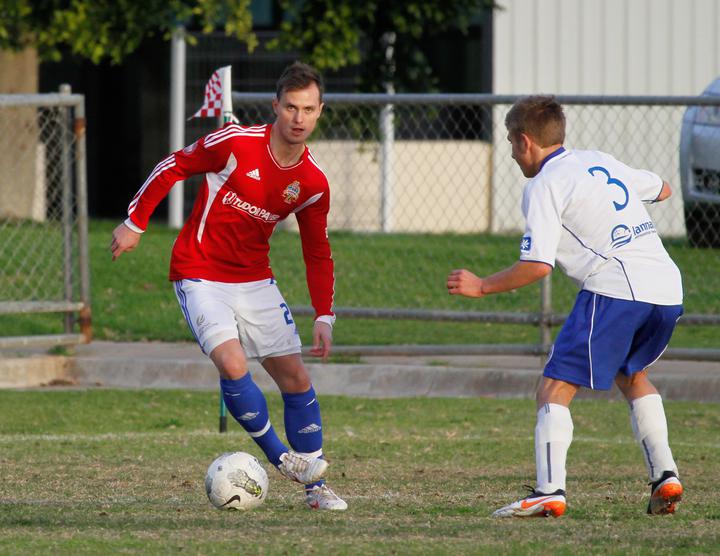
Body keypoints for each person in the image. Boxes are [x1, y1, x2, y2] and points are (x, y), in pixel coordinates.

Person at [110, 61, 347, 511]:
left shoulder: (313, 182)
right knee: (233, 364)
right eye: (291, 107)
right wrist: (134, 222)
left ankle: (316, 489)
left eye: (309, 109)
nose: (299, 118)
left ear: (319, 112)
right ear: (276, 106)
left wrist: (324, 314)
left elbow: (317, 251)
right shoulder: (236, 142)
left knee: (296, 377)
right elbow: (174, 165)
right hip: (199, 273)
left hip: (254, 279)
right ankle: (283, 459)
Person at [447, 95, 683, 518]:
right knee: (632, 376)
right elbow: (662, 188)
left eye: (510, 142)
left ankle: (548, 490)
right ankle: (665, 476)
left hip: (616, 286)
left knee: (553, 387)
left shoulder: (543, 184)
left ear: (524, 141)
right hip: (666, 288)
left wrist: (481, 286)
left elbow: (537, 265)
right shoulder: (599, 160)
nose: (512, 152)